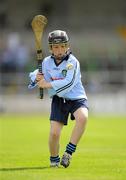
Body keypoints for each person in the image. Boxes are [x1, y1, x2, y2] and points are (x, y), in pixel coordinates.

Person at [29, 30, 89, 168]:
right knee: (55, 133)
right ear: (51, 48)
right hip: (58, 99)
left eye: (63, 46)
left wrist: (47, 84)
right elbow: (35, 74)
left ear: (67, 46)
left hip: (76, 98)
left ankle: (68, 152)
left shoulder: (73, 62)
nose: (60, 50)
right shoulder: (46, 62)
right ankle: (54, 160)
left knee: (83, 117)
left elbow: (68, 83)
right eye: (56, 47)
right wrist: (36, 78)